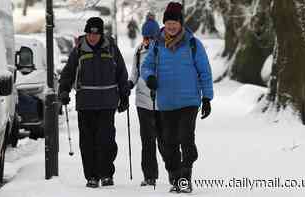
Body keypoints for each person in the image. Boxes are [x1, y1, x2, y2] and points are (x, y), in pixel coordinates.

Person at [141, 2, 214, 193]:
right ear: (164, 23)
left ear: (181, 23)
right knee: (168, 142)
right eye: (168, 22)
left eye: (175, 22)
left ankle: (185, 179)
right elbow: (146, 66)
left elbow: (204, 71)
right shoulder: (157, 44)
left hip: (189, 101)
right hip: (166, 102)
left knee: (186, 138)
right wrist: (149, 78)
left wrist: (207, 98)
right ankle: (175, 176)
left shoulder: (192, 44)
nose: (172, 26)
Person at [58, 17, 130, 188]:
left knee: (106, 141)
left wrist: (124, 95)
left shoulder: (111, 49)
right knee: (88, 142)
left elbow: (121, 72)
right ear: (86, 33)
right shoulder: (79, 51)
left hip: (107, 103)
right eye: (90, 33)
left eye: (96, 34)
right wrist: (64, 91)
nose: (92, 37)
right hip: (86, 104)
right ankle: (91, 176)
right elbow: (68, 72)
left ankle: (106, 174)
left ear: (101, 34)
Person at [127, 15, 162, 187]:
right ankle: (150, 175)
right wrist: (129, 84)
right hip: (143, 102)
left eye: (151, 37)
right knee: (147, 141)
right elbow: (135, 73)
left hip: (162, 102)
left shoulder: (164, 50)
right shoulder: (139, 51)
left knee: (165, 141)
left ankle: (174, 171)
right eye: (145, 37)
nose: (148, 40)